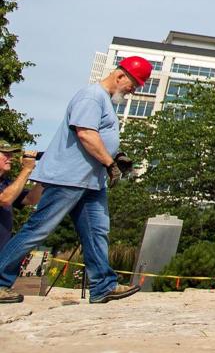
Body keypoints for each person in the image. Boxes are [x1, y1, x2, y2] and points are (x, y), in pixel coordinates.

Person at [0, 57, 150, 305]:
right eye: (134, 84)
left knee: (97, 232)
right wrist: (109, 163)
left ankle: (103, 286)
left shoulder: (108, 103)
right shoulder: (91, 97)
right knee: (38, 229)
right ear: (120, 75)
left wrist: (116, 156)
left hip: (90, 180)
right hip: (68, 178)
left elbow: (99, 137)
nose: (134, 89)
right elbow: (86, 134)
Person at [0, 143, 43, 253]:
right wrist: (27, 169)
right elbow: (5, 200)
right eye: (6, 154)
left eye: (11, 154)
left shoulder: (6, 183)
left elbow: (31, 199)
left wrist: (42, 172)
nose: (11, 158)